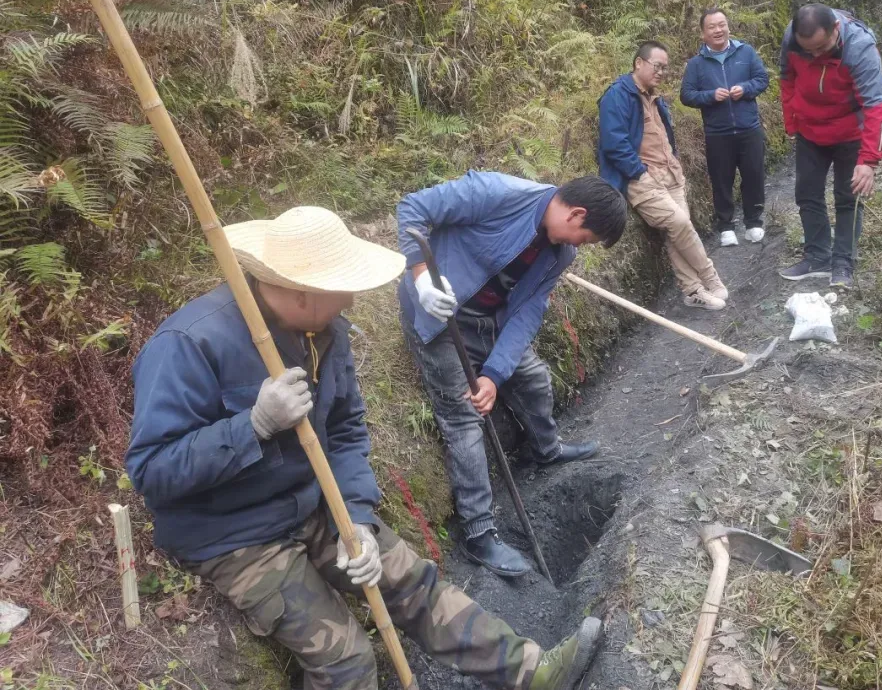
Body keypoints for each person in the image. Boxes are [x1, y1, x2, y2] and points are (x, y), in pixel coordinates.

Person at [127, 206, 602, 690]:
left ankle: (531, 674)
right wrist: (251, 427)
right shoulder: (189, 343)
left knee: (412, 580)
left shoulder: (325, 332)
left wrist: (355, 515)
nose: (352, 300)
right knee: (348, 660)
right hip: (233, 532)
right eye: (342, 288)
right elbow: (152, 471)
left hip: (314, 502)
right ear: (301, 292)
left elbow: (348, 428)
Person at [398, 173, 626, 577]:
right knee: (464, 415)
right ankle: (478, 533)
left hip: (488, 323)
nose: (579, 247)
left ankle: (546, 449)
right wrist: (422, 279)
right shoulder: (498, 193)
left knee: (534, 378)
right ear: (576, 213)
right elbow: (414, 207)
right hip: (438, 316)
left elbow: (525, 316)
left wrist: (494, 375)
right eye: (584, 238)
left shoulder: (559, 256)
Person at [597, 41, 729, 310]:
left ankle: (692, 292)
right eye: (657, 66)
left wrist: (675, 163)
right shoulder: (617, 95)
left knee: (676, 230)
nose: (661, 72)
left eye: (665, 69)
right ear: (638, 63)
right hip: (641, 179)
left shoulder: (654, 96)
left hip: (670, 175)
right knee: (679, 222)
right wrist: (639, 174)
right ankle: (710, 278)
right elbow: (614, 143)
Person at [778, 3, 882, 288]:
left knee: (847, 197)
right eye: (809, 50)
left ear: (836, 30)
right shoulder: (792, 38)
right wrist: (792, 121)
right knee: (807, 194)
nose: (815, 55)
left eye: (821, 48)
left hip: (850, 132)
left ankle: (843, 263)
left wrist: (868, 161)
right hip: (810, 130)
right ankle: (817, 257)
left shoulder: (859, 47)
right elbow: (787, 79)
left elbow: (877, 104)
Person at [681, 8, 771, 248]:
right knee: (721, 180)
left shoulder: (746, 52)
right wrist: (711, 96)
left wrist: (746, 89)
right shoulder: (696, 64)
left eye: (722, 24)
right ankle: (726, 227)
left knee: (754, 175)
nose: (718, 30)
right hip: (717, 132)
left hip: (749, 127)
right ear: (703, 34)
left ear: (728, 27)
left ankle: (754, 223)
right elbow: (687, 95)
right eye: (712, 27)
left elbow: (762, 79)